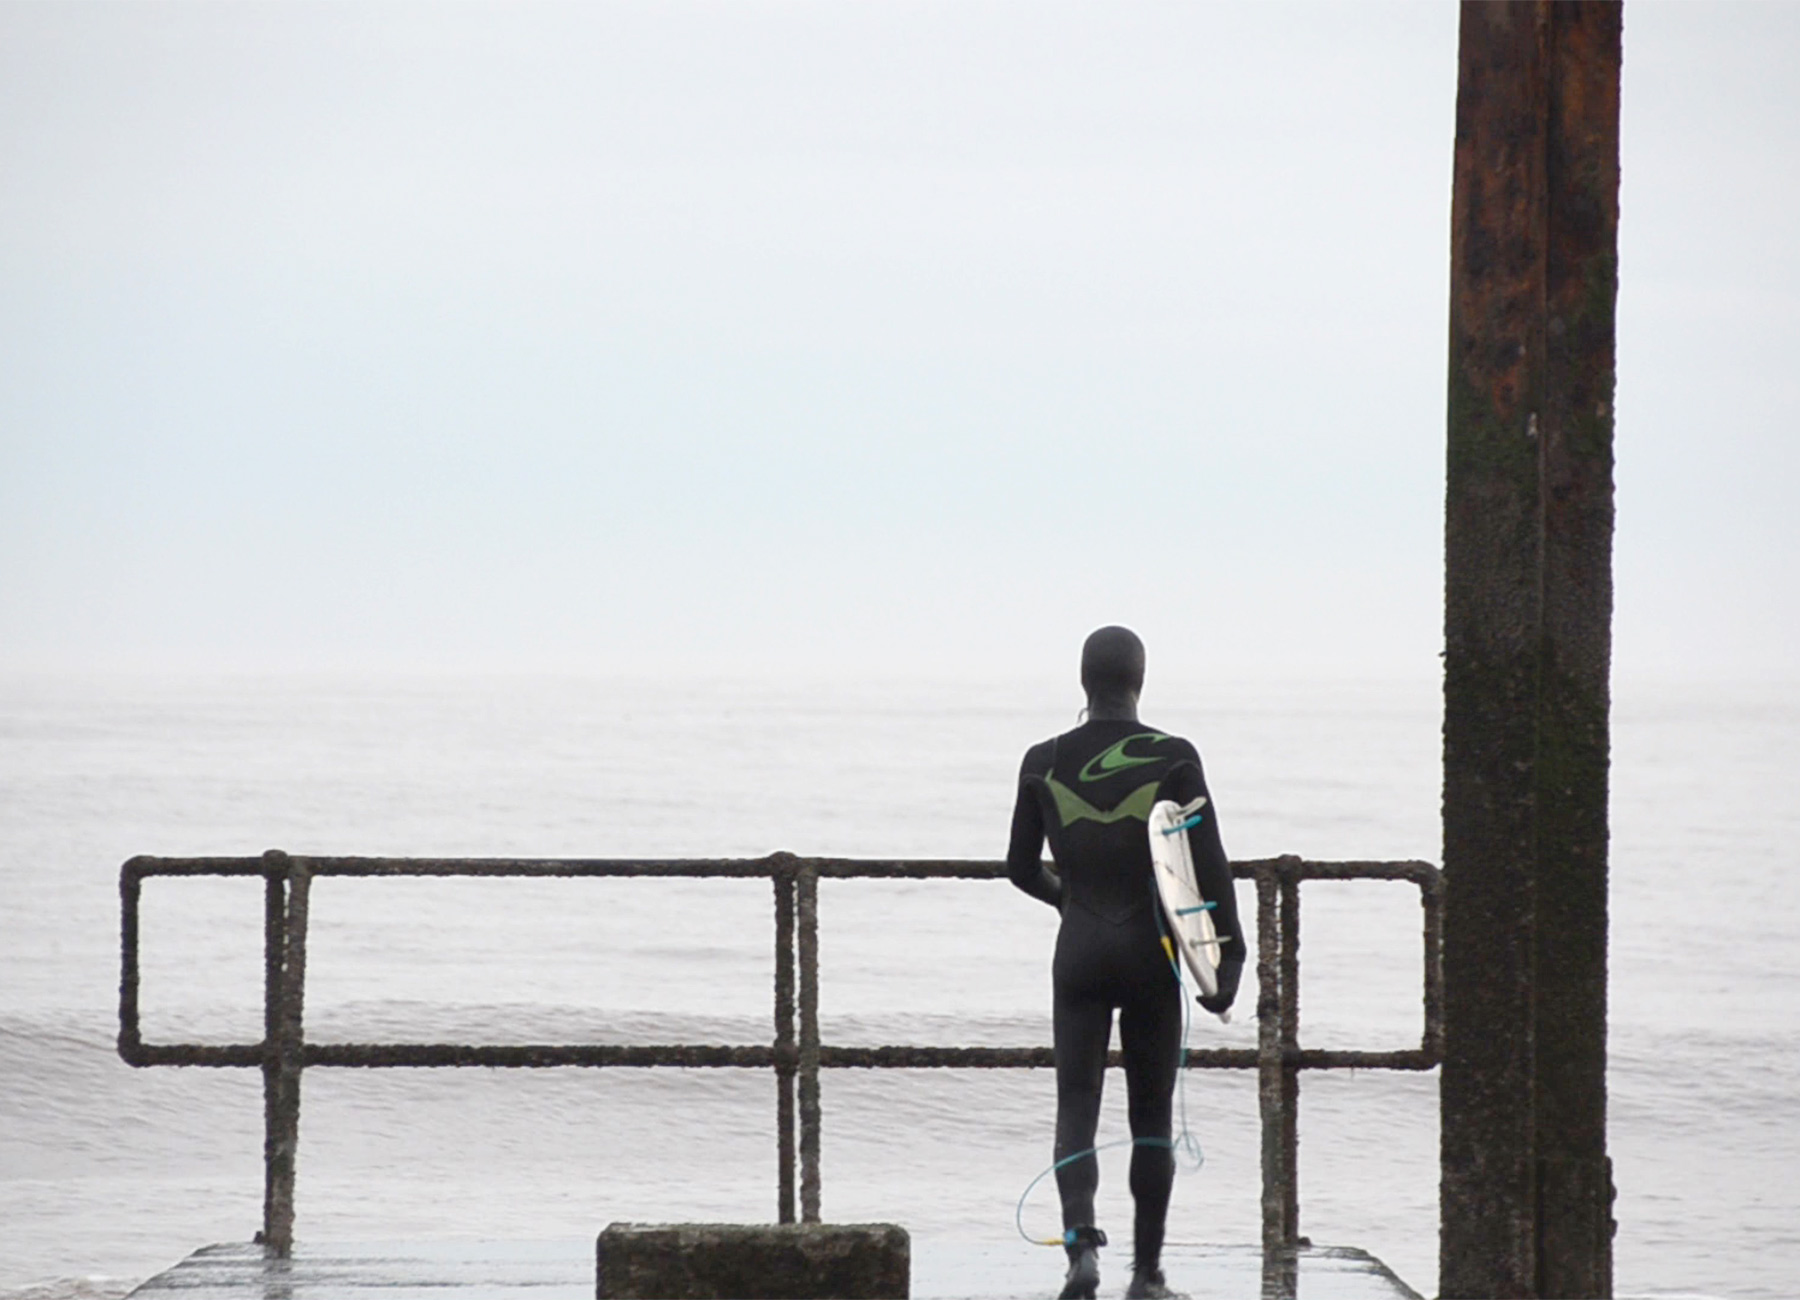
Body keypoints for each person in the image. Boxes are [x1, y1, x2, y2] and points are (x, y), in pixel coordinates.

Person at [1006, 626, 1244, 1300]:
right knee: (1151, 1119)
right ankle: (1147, 1276)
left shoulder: (1041, 759)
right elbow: (1209, 870)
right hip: (1149, 953)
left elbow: (1019, 867)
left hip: (1078, 951)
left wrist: (1068, 903)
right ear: (1140, 679)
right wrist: (1226, 966)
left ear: (1084, 681)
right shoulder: (1173, 756)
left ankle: (1081, 1254)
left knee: (1075, 1104)